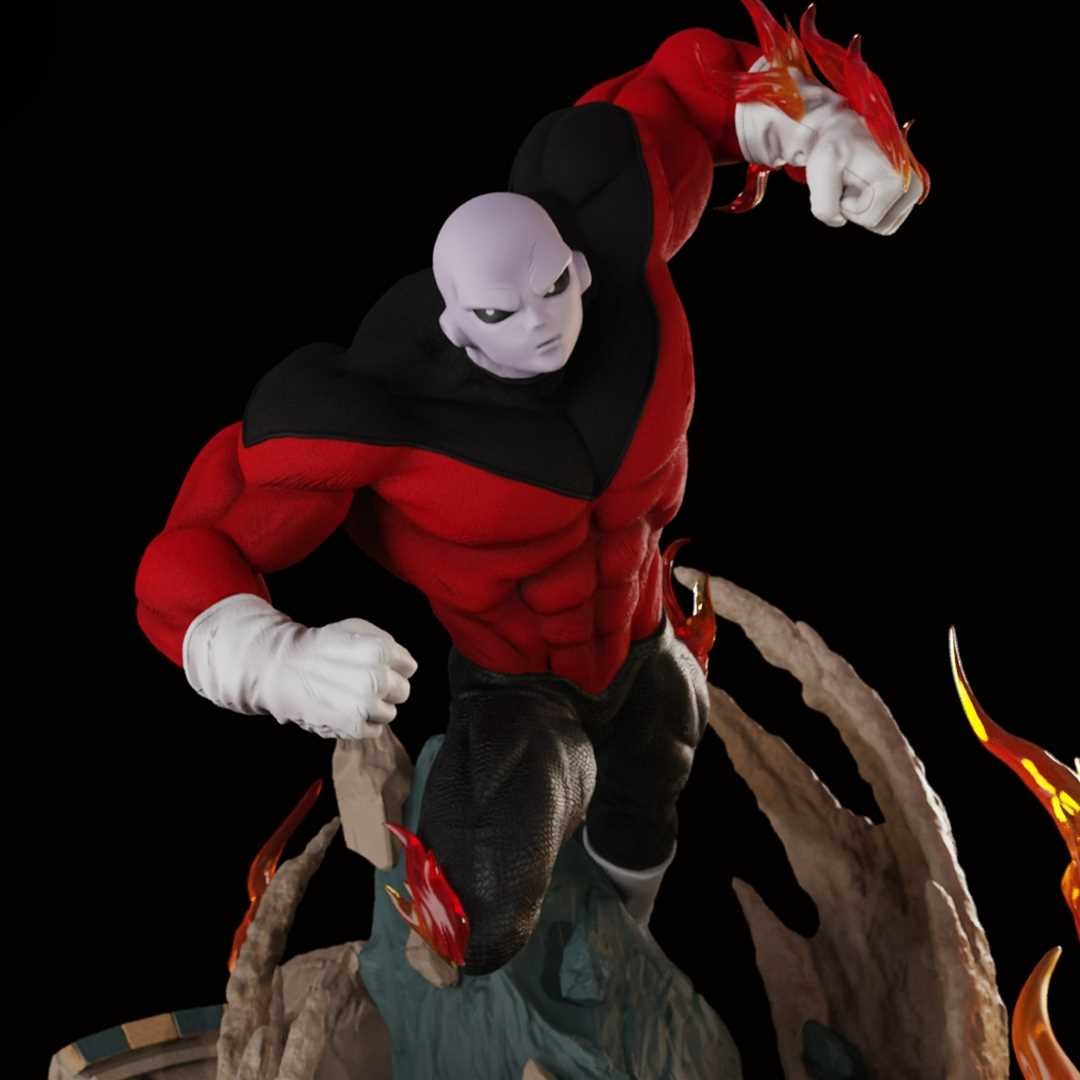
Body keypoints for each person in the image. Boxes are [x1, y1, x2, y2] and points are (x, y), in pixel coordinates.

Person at [135, 22, 923, 975]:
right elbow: (191, 548)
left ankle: (624, 966)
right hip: (519, 686)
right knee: (482, 911)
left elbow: (687, 95)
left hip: (645, 636)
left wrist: (821, 125)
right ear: (457, 324)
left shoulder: (616, 226)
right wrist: (274, 660)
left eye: (555, 288)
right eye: (504, 314)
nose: (544, 325)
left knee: (659, 772)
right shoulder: (380, 412)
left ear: (577, 265)